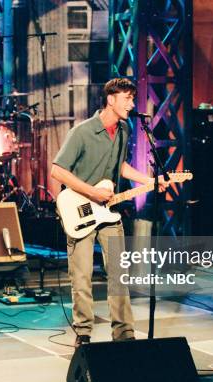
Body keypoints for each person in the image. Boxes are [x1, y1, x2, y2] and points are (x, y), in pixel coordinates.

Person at [51, 78, 167, 347]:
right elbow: (57, 170)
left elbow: (122, 166)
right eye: (126, 98)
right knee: (81, 276)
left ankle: (124, 333)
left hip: (108, 211)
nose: (131, 103)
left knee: (119, 274)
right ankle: (83, 333)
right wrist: (91, 193)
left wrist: (149, 181)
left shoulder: (125, 129)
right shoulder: (82, 132)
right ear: (111, 99)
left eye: (132, 98)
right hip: (79, 210)